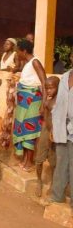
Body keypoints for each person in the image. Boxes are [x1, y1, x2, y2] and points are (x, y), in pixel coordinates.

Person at [13, 39, 46, 172]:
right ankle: (26, 160)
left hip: (32, 102)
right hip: (24, 103)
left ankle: (29, 162)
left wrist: (43, 104)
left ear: (24, 51)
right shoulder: (27, 64)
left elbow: (44, 82)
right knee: (24, 130)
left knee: (30, 132)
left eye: (18, 50)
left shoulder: (35, 62)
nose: (17, 53)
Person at [50, 66, 73, 207]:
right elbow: (58, 105)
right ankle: (57, 197)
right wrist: (54, 127)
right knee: (61, 164)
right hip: (61, 128)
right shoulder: (64, 77)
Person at [35, 76, 59, 197]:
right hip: (46, 130)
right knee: (39, 160)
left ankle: (53, 184)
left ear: (58, 87)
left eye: (51, 88)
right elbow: (44, 115)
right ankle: (39, 181)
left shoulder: (60, 101)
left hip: (56, 133)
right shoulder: (47, 100)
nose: (49, 90)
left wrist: (54, 131)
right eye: (47, 88)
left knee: (53, 162)